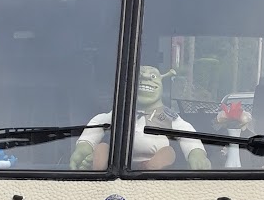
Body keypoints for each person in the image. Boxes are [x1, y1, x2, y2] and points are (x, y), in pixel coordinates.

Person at [70, 65, 211, 170]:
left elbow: (186, 132)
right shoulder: (121, 113)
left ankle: (149, 168)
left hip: (152, 168)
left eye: (153, 76)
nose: (146, 78)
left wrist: (196, 153)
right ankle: (97, 172)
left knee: (168, 153)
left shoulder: (167, 116)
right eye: (140, 76)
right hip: (118, 166)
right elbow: (99, 122)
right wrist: (85, 145)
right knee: (102, 148)